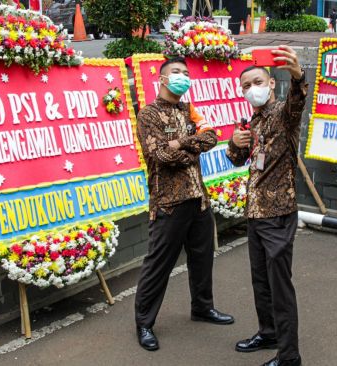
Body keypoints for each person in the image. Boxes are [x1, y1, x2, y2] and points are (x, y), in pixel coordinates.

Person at [134, 57, 234, 352]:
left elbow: (212, 137)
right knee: (159, 264)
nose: (182, 77)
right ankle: (143, 323)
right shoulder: (149, 115)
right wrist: (189, 147)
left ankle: (202, 307)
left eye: (185, 73)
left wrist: (180, 144)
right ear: (162, 79)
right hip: (169, 201)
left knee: (202, 257)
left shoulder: (189, 110)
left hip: (198, 197)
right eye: (176, 73)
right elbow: (160, 157)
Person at [227, 46, 307, 366]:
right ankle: (268, 332)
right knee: (260, 280)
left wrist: (298, 77)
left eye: (257, 82)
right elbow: (238, 161)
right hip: (256, 213)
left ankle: (289, 357)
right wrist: (235, 143)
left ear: (271, 84)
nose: (252, 89)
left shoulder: (283, 114)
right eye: (246, 86)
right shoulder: (253, 121)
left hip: (278, 213)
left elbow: (297, 102)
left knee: (280, 286)